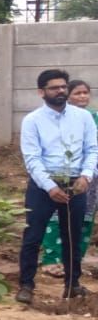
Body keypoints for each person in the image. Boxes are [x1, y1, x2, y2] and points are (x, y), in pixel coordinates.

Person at [15, 68, 97, 304]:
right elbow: (32, 158)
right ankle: (26, 285)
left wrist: (85, 176)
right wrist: (50, 187)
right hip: (43, 186)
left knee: (73, 235)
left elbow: (92, 149)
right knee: (33, 236)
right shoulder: (33, 121)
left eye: (63, 86)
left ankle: (72, 284)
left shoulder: (83, 118)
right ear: (41, 92)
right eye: (54, 88)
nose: (61, 91)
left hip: (76, 185)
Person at [40, 79, 98, 273]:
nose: (82, 96)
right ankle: (52, 259)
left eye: (85, 92)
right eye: (77, 93)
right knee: (57, 217)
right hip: (63, 175)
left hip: (90, 177)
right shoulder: (59, 119)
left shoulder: (93, 117)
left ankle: (75, 263)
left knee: (85, 218)